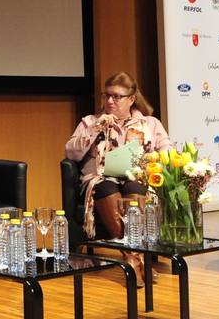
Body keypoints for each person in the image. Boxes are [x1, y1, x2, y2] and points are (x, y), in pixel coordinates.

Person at [64, 72, 172, 240]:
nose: (109, 101)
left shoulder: (150, 123)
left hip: (138, 177)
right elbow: (70, 152)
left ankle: (133, 248)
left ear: (132, 99)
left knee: (134, 187)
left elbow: (168, 152)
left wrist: (153, 160)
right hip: (100, 179)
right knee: (106, 187)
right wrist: (95, 129)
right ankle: (131, 249)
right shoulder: (90, 121)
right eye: (106, 95)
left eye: (116, 97)